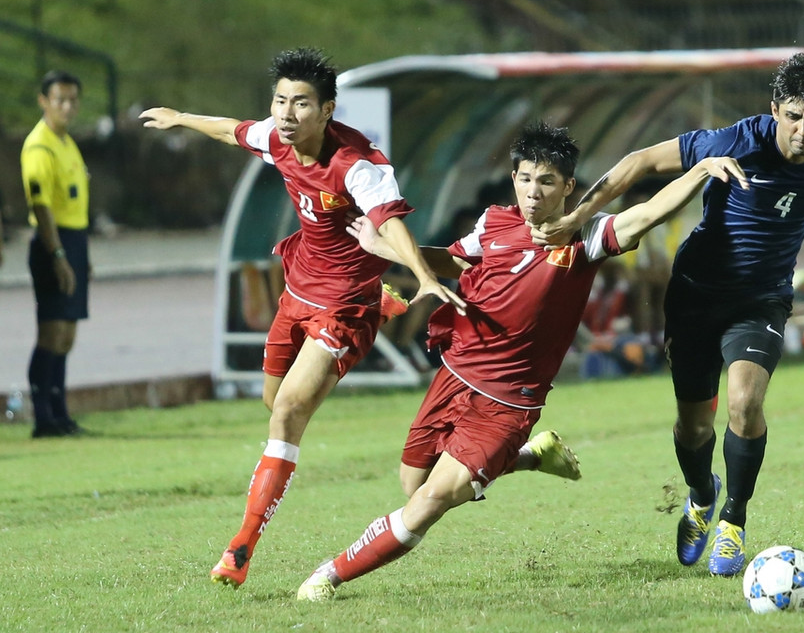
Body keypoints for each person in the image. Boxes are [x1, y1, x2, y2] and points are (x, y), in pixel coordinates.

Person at [296, 121, 748, 601]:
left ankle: (328, 576)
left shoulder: (583, 240)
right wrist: (383, 248)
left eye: (548, 181)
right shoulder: (494, 222)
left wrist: (699, 169)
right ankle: (531, 456)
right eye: (526, 178)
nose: (534, 192)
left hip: (507, 403)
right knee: (413, 483)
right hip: (453, 376)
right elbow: (454, 260)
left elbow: (646, 213)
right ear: (514, 179)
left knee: (430, 502)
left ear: (569, 187)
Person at [530, 53, 804, 576]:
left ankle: (733, 521)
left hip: (762, 299)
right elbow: (639, 161)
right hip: (696, 293)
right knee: (693, 426)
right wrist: (576, 216)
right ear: (776, 109)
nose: (803, 131)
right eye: (794, 116)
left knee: (744, 404)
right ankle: (700, 494)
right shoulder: (736, 141)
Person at [140, 47, 464, 588]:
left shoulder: (358, 165)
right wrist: (180, 118)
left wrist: (424, 275)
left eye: (301, 104)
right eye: (280, 101)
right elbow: (232, 131)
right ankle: (384, 306)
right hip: (296, 294)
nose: (287, 114)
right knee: (274, 403)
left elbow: (389, 221)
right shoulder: (277, 137)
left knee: (288, 411)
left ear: (328, 110)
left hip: (343, 306)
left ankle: (239, 550)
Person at [20, 70, 90, 438]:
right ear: (43, 101)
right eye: (60, 99)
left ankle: (60, 414)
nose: (67, 106)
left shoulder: (66, 141)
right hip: (53, 243)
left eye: (73, 99)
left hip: (74, 240)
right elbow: (42, 207)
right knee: (51, 333)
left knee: (67, 335)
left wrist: (81, 255)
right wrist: (59, 254)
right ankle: (42, 417)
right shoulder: (39, 146)